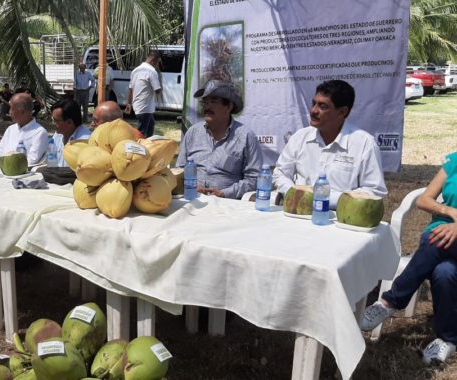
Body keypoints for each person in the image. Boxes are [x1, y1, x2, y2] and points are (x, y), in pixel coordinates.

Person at [358, 154, 457, 365]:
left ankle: (390, 301)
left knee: (434, 242)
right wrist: (449, 211)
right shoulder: (454, 162)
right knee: (444, 272)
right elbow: (424, 200)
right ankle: (447, 340)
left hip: (438, 241)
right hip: (440, 237)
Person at [273, 80, 387, 208]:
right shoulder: (300, 137)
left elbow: (375, 191)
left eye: (323, 106)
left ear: (342, 112)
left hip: (340, 218)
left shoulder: (364, 143)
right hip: (297, 212)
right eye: (314, 103)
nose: (313, 111)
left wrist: (325, 199)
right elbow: (280, 173)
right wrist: (295, 193)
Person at [176, 80, 261, 199]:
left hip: (227, 205)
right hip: (192, 199)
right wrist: (189, 185)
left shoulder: (245, 136)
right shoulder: (192, 132)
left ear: (229, 107)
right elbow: (179, 170)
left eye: (213, 101)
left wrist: (225, 193)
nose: (207, 106)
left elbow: (254, 179)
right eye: (205, 102)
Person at [0, 93, 48, 168]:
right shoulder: (10, 129)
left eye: (11, 108)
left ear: (22, 111)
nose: (9, 112)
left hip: (19, 176)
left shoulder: (39, 133)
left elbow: (31, 161)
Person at [125, 51, 162, 137]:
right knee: (142, 132)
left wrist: (129, 103)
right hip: (145, 106)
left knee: (150, 125)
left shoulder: (135, 70)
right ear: (153, 61)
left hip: (138, 105)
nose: (157, 66)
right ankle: (138, 147)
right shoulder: (152, 72)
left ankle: (148, 144)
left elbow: (131, 89)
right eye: (157, 63)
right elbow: (157, 90)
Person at [51, 99, 91, 167]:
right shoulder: (57, 135)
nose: (53, 123)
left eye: (56, 121)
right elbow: (51, 161)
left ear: (69, 122)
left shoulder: (86, 141)